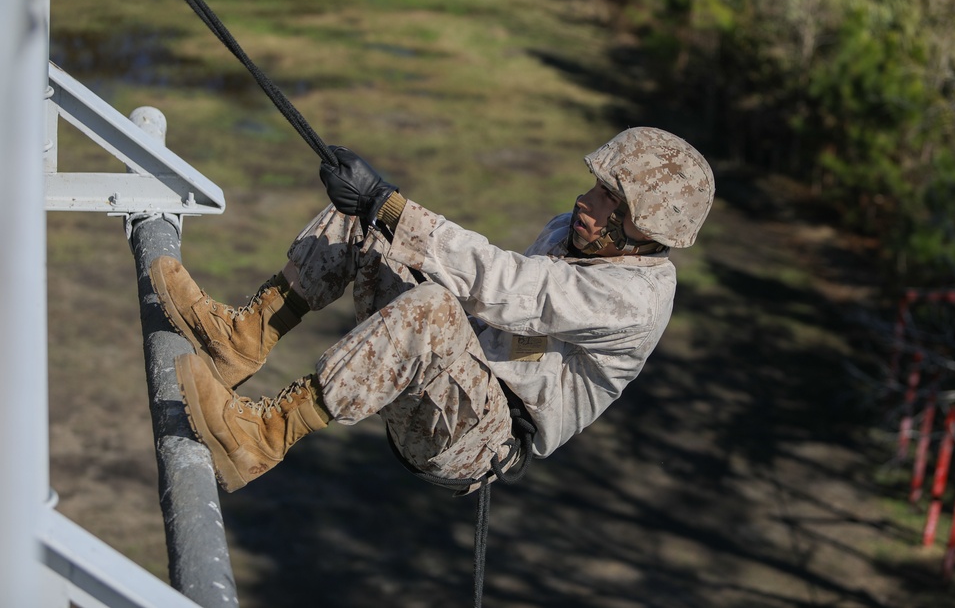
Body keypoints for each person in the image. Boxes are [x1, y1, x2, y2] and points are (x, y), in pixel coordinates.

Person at [151, 126, 714, 494]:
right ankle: (245, 337)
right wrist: (379, 211)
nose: (586, 202)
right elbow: (493, 295)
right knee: (371, 225)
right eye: (596, 187)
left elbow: (508, 287)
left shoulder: (634, 301)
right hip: (451, 372)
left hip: (477, 440)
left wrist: (393, 205)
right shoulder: (575, 232)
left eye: (611, 199)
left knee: (430, 298)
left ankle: (262, 437)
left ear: (647, 230)